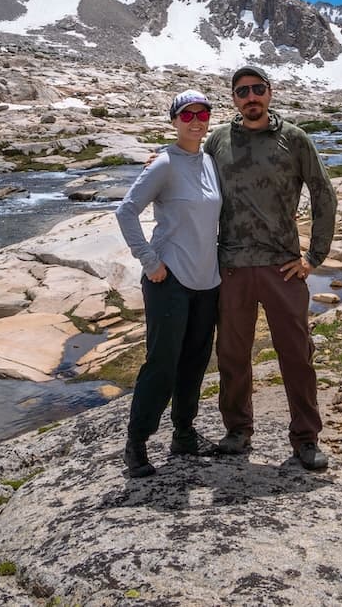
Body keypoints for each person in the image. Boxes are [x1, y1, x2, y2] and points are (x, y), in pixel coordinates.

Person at [204, 65, 337, 471]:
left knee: (296, 353)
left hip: (283, 267)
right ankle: (238, 430)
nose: (251, 97)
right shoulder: (218, 141)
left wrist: (313, 257)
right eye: (242, 91)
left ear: (270, 93)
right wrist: (161, 162)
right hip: (232, 268)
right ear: (233, 98)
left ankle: (305, 438)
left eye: (257, 89)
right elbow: (193, 186)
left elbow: (323, 194)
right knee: (231, 354)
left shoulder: (293, 139)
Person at [114, 90, 223, 478]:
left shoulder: (209, 160)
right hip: (170, 278)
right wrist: (150, 261)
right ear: (174, 120)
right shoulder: (163, 163)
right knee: (162, 363)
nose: (196, 120)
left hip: (207, 280)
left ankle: (184, 433)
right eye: (187, 114)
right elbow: (126, 211)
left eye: (203, 113)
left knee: (195, 360)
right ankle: (137, 443)